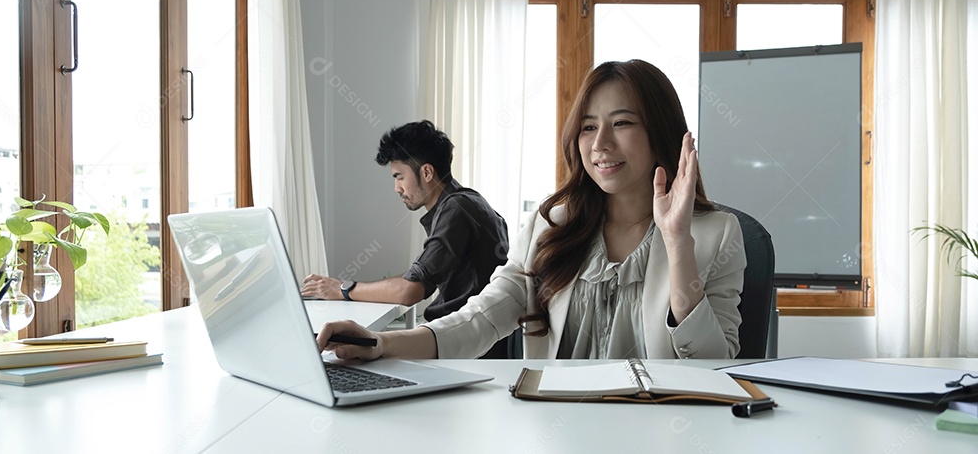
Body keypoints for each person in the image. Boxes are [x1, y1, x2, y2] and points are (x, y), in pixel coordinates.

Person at [317, 60, 745, 361]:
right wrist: (382, 343)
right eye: (589, 126)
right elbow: (480, 320)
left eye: (623, 123)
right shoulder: (552, 226)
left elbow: (712, 363)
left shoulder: (716, 234)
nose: (600, 145)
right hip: (557, 431)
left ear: (661, 133)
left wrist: (676, 242)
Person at [301, 120, 512, 358]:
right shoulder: (466, 203)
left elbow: (410, 291)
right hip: (465, 340)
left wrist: (343, 289)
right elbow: (415, 277)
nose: (396, 188)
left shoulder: (456, 209)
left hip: (463, 348)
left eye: (399, 176)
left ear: (427, 172)